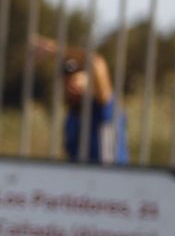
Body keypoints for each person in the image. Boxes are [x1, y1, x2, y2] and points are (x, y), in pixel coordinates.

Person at [31, 35, 127, 165]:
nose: (71, 86)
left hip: (111, 180)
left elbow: (97, 63)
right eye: (66, 82)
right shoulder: (71, 116)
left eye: (76, 79)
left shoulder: (103, 106)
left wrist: (56, 49)